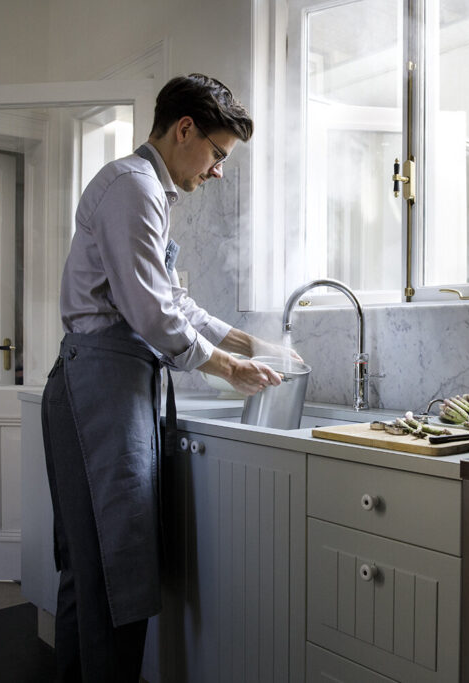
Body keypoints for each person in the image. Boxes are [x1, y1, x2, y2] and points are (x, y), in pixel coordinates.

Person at [41, 73, 291, 682]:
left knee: (96, 568)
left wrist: (253, 343)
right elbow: (151, 312)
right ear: (185, 130)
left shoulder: (146, 190)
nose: (218, 171)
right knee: (113, 566)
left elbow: (176, 303)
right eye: (218, 154)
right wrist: (230, 368)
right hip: (101, 384)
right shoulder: (134, 188)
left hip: (109, 382)